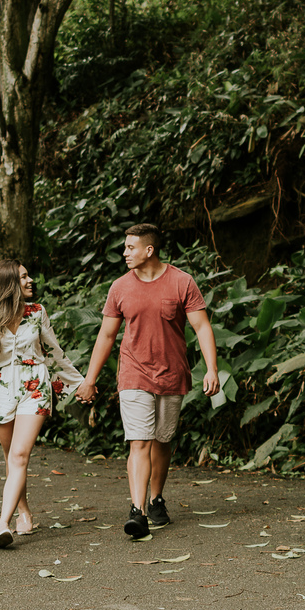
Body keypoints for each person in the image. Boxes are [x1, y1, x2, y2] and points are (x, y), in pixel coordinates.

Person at [74, 224, 220, 538]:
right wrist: (89, 379)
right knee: (139, 441)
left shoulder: (182, 282)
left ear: (149, 250)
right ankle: (137, 510)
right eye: (125, 247)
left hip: (171, 374)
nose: (125, 253)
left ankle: (156, 498)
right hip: (133, 373)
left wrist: (211, 369)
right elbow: (108, 335)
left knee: (162, 441)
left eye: (130, 248)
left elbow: (202, 328)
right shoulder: (120, 288)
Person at [0, 260, 84, 549]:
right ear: (7, 285)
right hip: (1, 389)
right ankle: (23, 510)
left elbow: (53, 352)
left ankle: (1, 525)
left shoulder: (37, 313)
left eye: (28, 276)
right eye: (23, 277)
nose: (30, 281)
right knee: (11, 458)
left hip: (34, 387)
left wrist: (79, 384)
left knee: (19, 455)